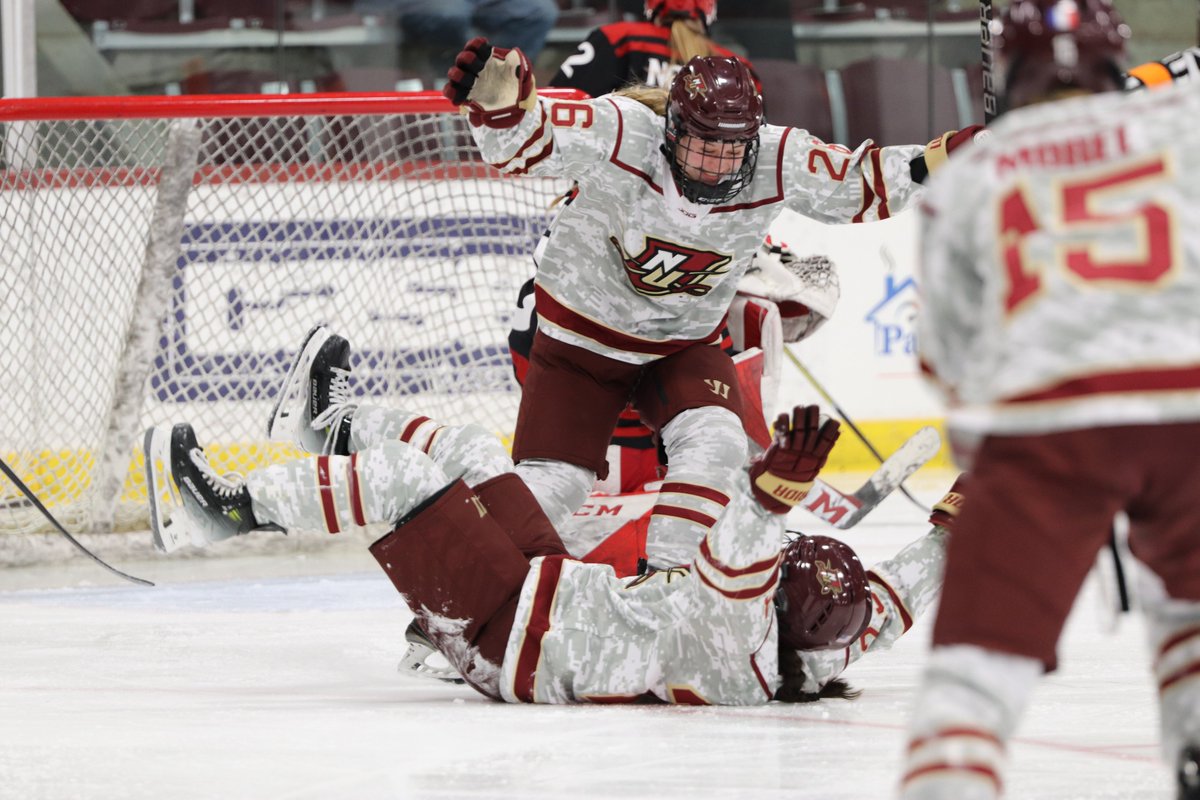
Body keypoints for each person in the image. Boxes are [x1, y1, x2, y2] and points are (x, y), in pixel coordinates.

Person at [147, 324, 957, 705]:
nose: (778, 571)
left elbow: (741, 559)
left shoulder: (735, 654)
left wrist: (764, 498)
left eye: (778, 581)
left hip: (511, 638)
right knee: (471, 449)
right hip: (552, 584)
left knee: (398, 481)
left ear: (776, 607)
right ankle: (331, 427)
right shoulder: (836, 630)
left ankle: (221, 512)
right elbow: (905, 585)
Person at [440, 44, 979, 570]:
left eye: (732, 148)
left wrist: (948, 157)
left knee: (716, 443)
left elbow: (861, 185)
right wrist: (503, 109)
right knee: (556, 484)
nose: (718, 165)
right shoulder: (626, 130)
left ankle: (672, 584)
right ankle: (457, 597)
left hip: (682, 345)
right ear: (672, 129)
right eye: (703, 147)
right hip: (582, 344)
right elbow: (528, 142)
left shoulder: (775, 155)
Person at [897, 1, 1200, 797]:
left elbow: (948, 361)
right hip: (1192, 408)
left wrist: (994, 479)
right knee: (1188, 611)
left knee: (971, 678)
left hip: (1051, 425)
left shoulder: (968, 178)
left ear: (1007, 73)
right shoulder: (1184, 127)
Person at [548, 0, 757, 98]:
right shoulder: (737, 65)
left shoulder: (619, 38)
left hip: (620, 171)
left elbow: (556, 99)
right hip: (706, 178)